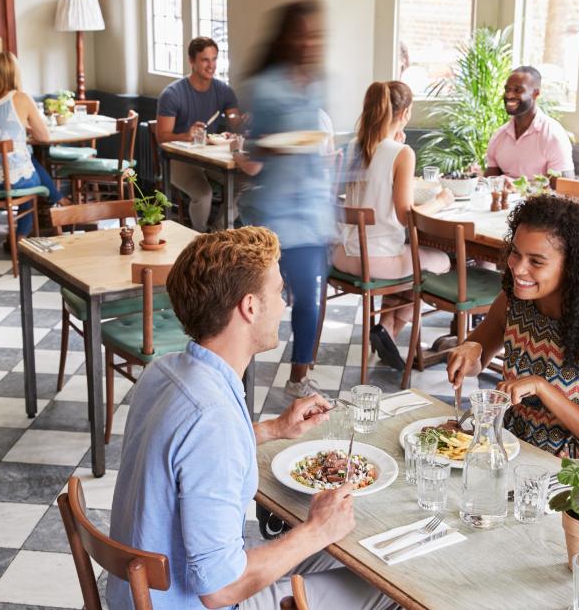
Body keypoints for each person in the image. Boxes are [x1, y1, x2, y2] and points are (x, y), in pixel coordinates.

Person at [109, 227, 396, 610]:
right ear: (249, 307)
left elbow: (189, 455)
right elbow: (220, 589)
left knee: (360, 554)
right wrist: (315, 530)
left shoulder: (164, 370)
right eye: (277, 292)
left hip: (139, 594)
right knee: (383, 587)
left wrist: (275, 429)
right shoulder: (214, 420)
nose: (284, 303)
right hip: (190, 602)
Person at [446, 194, 579, 471]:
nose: (517, 267)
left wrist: (542, 388)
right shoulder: (513, 302)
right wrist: (471, 350)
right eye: (516, 252)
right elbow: (476, 362)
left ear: (573, 267)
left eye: (536, 262)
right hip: (511, 452)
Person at [235, 0, 336, 398]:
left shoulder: (318, 84)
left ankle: (298, 377)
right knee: (256, 301)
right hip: (274, 214)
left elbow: (317, 150)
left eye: (316, 34)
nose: (311, 41)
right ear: (288, 37)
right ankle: (236, 372)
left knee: (311, 298)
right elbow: (256, 148)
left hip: (312, 212)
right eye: (304, 33)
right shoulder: (264, 87)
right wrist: (272, 148)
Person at [334, 81, 454, 370]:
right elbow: (405, 215)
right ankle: (391, 328)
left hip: (341, 255)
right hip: (373, 261)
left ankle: (385, 326)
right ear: (406, 112)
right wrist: (441, 200)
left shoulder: (354, 146)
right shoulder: (402, 153)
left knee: (409, 258)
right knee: (439, 261)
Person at [0, 51, 63, 250]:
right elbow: (44, 137)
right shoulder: (21, 99)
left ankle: (60, 200)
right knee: (28, 171)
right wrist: (26, 130)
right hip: (12, 183)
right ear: (16, 74)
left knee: (28, 163)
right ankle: (18, 237)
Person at [156, 36, 241, 231]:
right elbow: (162, 136)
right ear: (192, 61)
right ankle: (199, 237)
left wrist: (241, 122)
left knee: (243, 185)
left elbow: (234, 118)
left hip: (209, 156)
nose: (211, 66)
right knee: (203, 194)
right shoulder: (172, 94)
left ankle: (218, 233)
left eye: (214, 59)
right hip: (177, 159)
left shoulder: (223, 91)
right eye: (205, 60)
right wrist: (185, 135)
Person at [484, 66, 574, 180]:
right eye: (507, 89)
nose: (509, 95)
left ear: (535, 94)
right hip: (506, 198)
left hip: (538, 198)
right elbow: (490, 184)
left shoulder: (553, 135)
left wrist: (518, 187)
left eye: (518, 90)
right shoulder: (499, 136)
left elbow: (564, 190)